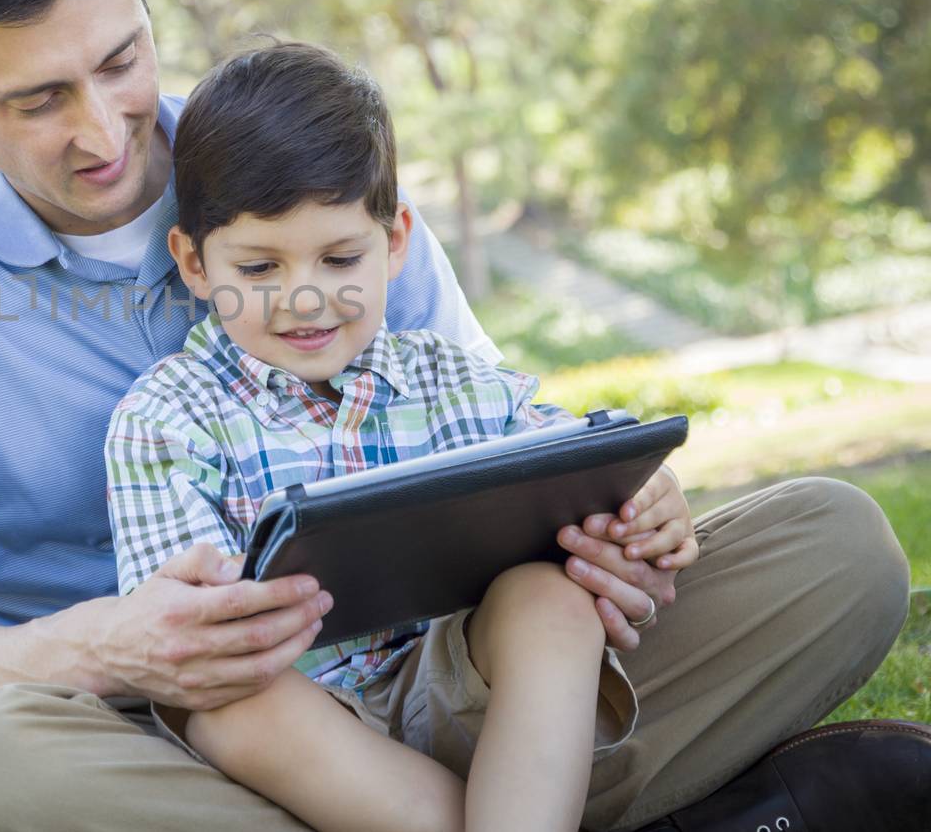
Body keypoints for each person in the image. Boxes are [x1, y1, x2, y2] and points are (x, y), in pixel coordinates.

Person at [0, 0, 915, 831]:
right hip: (179, 740)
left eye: (121, 59)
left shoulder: (298, 165)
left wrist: (610, 532)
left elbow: (495, 451)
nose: (102, 129)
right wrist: (126, 647)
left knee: (838, 546)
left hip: (456, 673)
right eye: (37, 99)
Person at [105, 40, 658, 831]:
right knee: (225, 699)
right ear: (194, 263)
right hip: (302, 729)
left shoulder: (451, 378)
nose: (304, 297)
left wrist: (643, 506)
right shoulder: (164, 418)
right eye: (259, 269)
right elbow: (187, 638)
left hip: (459, 684)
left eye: (339, 258)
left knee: (551, 599)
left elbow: (574, 467)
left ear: (395, 241)